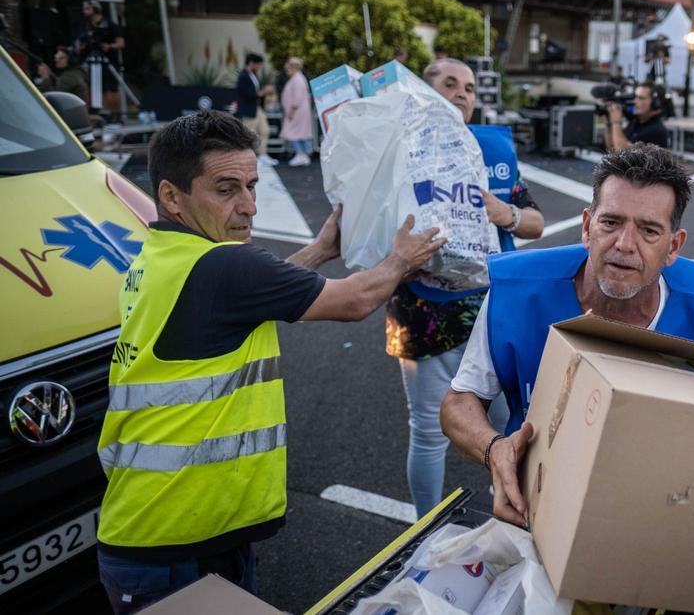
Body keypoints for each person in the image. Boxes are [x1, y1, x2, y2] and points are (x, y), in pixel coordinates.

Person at [96, 111, 446, 613]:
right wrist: (401, 259)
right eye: (226, 189)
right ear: (172, 196)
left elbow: (250, 292)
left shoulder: (160, 257)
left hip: (159, 526)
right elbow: (354, 301)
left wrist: (321, 250)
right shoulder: (226, 266)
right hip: (171, 543)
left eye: (253, 186)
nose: (250, 206)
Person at [441, 144, 694, 525]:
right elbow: (460, 400)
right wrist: (494, 448)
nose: (623, 244)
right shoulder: (516, 291)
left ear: (674, 247)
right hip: (536, 505)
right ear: (587, 227)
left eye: (649, 230)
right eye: (611, 222)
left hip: (659, 514)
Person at [385, 58, 545, 518]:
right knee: (428, 431)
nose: (461, 93)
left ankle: (518, 510)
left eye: (470, 88)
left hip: (491, 309)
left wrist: (504, 213)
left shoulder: (491, 151)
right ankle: (422, 531)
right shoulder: (400, 148)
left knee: (509, 421)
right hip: (423, 310)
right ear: (425, 92)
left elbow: (534, 222)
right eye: (449, 84)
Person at [72, 0, 124, 101]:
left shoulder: (109, 24)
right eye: (84, 9)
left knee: (110, 89)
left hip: (107, 61)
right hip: (90, 60)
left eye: (87, 9)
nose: (84, 11)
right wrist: (79, 47)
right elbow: (79, 40)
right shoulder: (84, 25)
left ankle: (113, 113)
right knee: (90, 87)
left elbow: (121, 43)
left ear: (96, 9)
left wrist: (109, 46)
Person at [236, 53, 277, 167]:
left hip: (257, 108)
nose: (259, 67)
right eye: (258, 64)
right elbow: (248, 94)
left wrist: (263, 94)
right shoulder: (243, 76)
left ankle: (262, 155)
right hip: (248, 109)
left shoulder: (254, 75)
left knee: (264, 130)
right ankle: (248, 157)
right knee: (250, 133)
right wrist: (264, 91)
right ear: (251, 63)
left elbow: (257, 93)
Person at [604, 81, 670, 151]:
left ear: (656, 103)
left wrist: (616, 122)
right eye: (635, 97)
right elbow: (612, 149)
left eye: (641, 98)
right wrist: (609, 123)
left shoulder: (656, 130)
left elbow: (622, 153)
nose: (635, 101)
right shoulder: (636, 122)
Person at [279, 57, 313, 167]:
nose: (287, 72)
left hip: (296, 111)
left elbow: (297, 98)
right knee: (297, 133)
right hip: (298, 111)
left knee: (291, 133)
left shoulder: (297, 79)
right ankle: (302, 154)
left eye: (288, 69)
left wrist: (291, 111)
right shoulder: (298, 78)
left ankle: (300, 154)